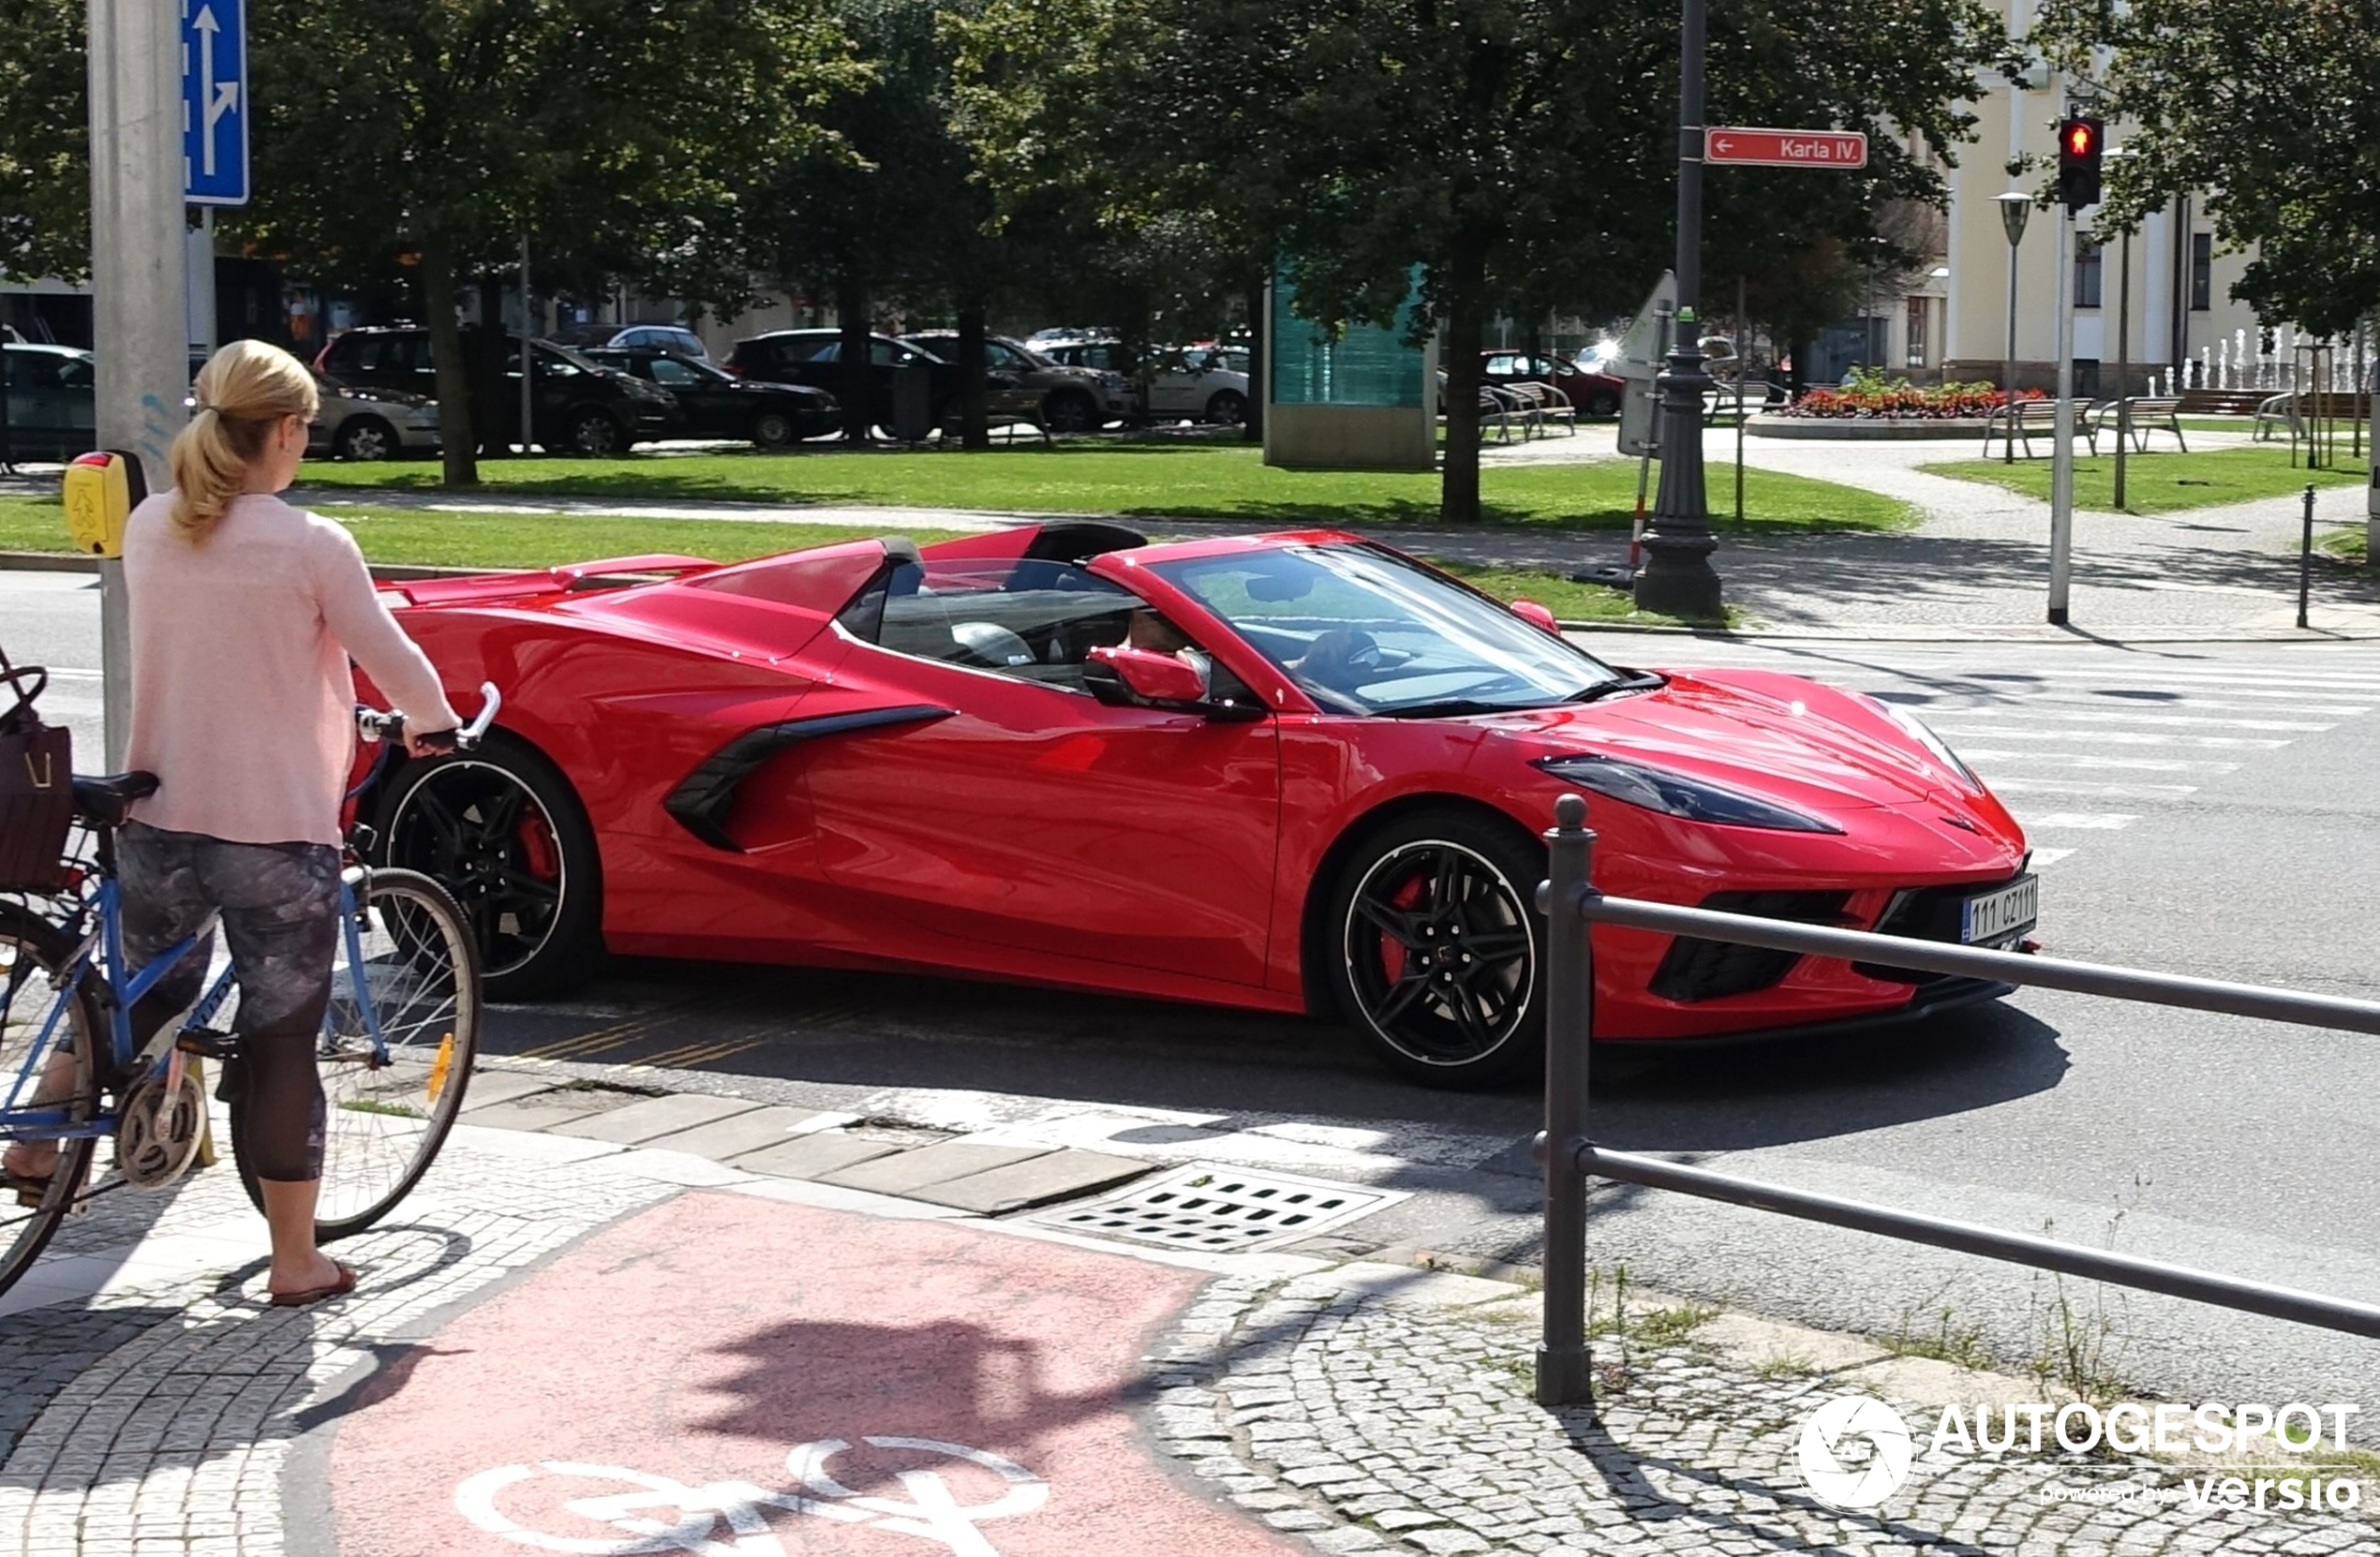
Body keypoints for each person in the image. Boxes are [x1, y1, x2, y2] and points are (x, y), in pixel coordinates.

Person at [0, 340, 458, 1307]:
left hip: (158, 817)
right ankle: (297, 1262)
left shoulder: (154, 526)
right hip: (274, 835)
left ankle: (39, 1138)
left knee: (145, 996)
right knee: (283, 1042)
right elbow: (392, 656)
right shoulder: (309, 544)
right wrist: (437, 726)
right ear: (288, 431)